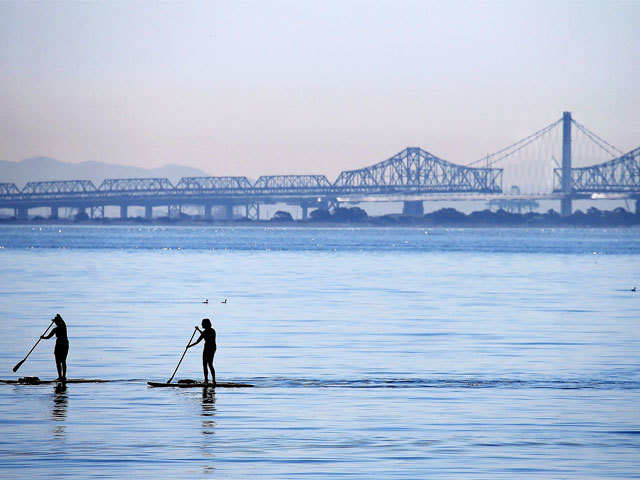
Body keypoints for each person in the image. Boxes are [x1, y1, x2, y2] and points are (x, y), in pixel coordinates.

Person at [187, 318, 217, 385]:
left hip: (210, 349)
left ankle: (212, 381)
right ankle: (208, 380)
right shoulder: (211, 330)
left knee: (209, 364)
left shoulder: (208, 332)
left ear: (206, 324)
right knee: (206, 364)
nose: (201, 325)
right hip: (210, 348)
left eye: (202, 324)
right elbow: (203, 335)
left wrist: (189, 346)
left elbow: (198, 341)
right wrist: (198, 330)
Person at [41, 314, 69, 381]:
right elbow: (48, 337)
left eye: (58, 322)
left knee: (63, 361)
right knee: (57, 361)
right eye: (56, 322)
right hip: (58, 345)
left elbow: (63, 321)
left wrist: (59, 317)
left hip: (64, 345)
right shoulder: (55, 329)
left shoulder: (63, 326)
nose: (57, 323)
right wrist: (43, 337)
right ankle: (59, 377)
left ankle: (64, 377)